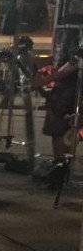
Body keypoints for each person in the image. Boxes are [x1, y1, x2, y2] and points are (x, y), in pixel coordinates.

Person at [33, 27, 81, 163]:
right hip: (65, 86)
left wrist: (43, 81)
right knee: (64, 129)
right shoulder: (64, 30)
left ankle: (61, 164)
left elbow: (73, 63)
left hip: (70, 87)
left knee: (59, 127)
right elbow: (62, 60)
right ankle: (63, 163)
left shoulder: (74, 31)